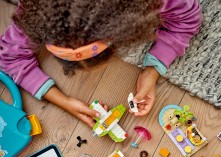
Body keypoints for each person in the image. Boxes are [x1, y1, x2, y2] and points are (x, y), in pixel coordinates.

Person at [0, 0, 202, 127]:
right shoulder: (37, 9)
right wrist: (63, 101)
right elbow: (9, 56)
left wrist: (152, 71)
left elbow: (187, 19)